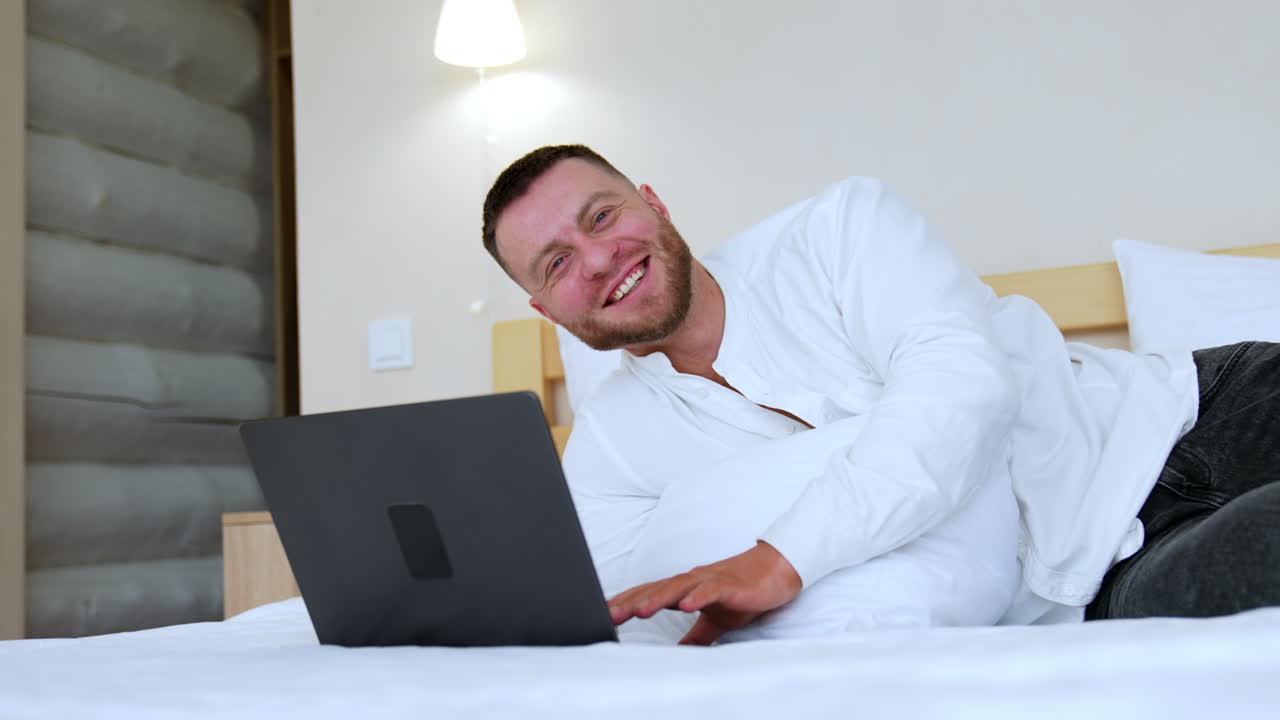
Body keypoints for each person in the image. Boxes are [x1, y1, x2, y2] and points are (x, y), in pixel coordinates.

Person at [481, 144, 1280, 645]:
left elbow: (961, 389)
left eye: (603, 215)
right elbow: (614, 623)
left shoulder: (839, 229)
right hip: (1094, 583)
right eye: (555, 263)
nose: (596, 257)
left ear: (653, 204)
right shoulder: (613, 443)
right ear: (546, 311)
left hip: (1193, 417)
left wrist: (780, 561)